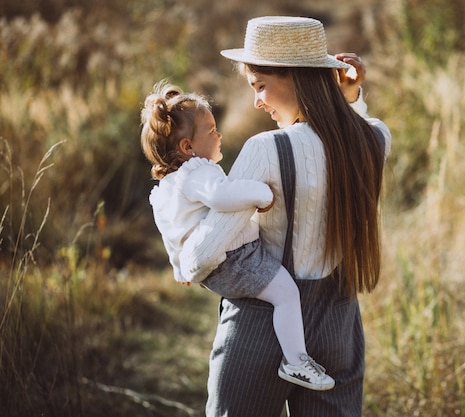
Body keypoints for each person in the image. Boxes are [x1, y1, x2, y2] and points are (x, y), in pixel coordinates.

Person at [178, 16, 391, 417]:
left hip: (261, 324)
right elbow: (350, 131)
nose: (257, 101)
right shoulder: (376, 139)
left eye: (260, 86)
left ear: (295, 77)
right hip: (338, 323)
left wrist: (183, 257)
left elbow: (205, 253)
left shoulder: (266, 148)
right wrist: (349, 97)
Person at [140, 81, 335, 391]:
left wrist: (179, 267)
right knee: (286, 293)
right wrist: (260, 194)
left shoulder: (166, 189)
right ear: (188, 148)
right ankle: (296, 361)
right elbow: (221, 196)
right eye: (211, 130)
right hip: (234, 258)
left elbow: (171, 232)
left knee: (272, 295)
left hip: (214, 268)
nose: (218, 135)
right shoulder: (196, 171)